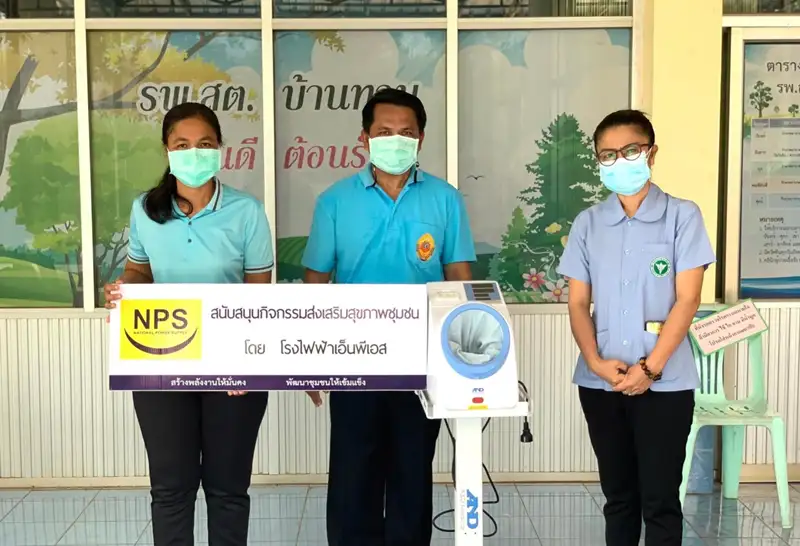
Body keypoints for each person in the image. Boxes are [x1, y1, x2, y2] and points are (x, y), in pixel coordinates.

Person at [302, 88, 476, 546]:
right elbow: (316, 281)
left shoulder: (445, 199)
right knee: (352, 476)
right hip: (352, 360)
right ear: (364, 138)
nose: (395, 141)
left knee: (412, 473)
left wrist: (463, 359)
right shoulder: (335, 201)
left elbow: (460, 280)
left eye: (406, 133)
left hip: (421, 363)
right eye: (384, 132)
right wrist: (310, 361)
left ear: (421, 139)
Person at [103, 102, 274, 546]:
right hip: (162, 359)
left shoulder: (247, 211)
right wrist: (124, 288)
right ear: (166, 149)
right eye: (182, 144)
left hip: (233, 366)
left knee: (228, 489)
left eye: (204, 144)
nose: (194, 153)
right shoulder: (145, 209)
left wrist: (247, 364)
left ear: (220, 149)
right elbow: (138, 271)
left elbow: (260, 295)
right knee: (171, 489)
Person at [557, 109, 715, 546]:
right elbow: (578, 302)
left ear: (651, 153)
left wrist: (650, 369)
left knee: (660, 500)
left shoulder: (682, 216)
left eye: (630, 150)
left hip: (665, 384)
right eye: (607, 155)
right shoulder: (588, 224)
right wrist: (594, 362)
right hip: (601, 381)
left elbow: (687, 299)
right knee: (619, 498)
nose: (619, 161)